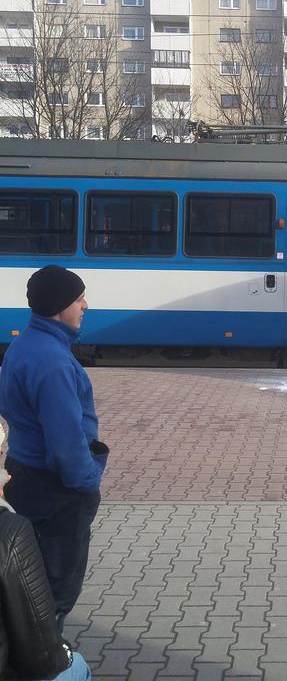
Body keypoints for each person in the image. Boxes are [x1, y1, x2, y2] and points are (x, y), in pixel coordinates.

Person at [0, 265, 109, 633]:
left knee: (29, 586)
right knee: (52, 596)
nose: (86, 305)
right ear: (60, 305)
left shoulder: (26, 345)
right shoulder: (53, 362)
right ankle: (45, 663)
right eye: (79, 299)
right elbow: (64, 443)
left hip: (27, 476)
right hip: (55, 490)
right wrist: (86, 483)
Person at [0, 424, 91, 680]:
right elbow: (42, 658)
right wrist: (86, 481)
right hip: (54, 485)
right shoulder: (10, 532)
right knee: (75, 667)